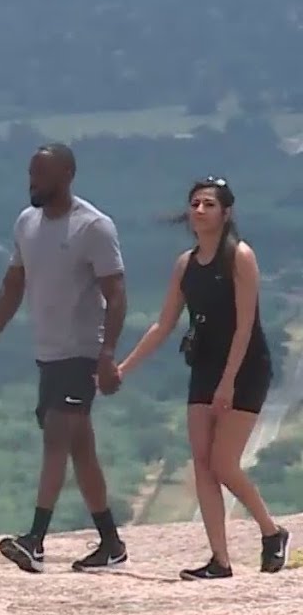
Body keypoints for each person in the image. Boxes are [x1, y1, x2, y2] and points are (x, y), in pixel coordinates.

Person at [115, 175, 290, 579]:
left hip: (245, 366)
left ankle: (271, 530)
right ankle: (220, 559)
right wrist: (124, 368)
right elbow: (162, 325)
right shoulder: (186, 265)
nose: (199, 210)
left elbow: (246, 325)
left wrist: (229, 380)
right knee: (202, 463)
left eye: (209, 204)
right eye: (195, 203)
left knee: (224, 463)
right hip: (204, 365)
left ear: (226, 213)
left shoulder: (239, 257)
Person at [0, 142, 129, 574]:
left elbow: (116, 295)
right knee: (81, 450)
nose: (32, 183)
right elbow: (12, 284)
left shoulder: (93, 227)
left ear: (65, 176)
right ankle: (111, 544)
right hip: (48, 353)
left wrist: (107, 353)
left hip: (81, 352)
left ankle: (35, 540)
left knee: (57, 437)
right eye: (30, 174)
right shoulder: (27, 224)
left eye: (39, 175)